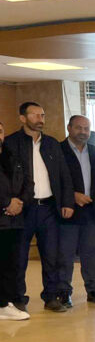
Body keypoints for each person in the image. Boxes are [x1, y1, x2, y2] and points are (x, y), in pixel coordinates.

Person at [3, 102, 73, 312]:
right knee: (19, 257)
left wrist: (67, 202)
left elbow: (63, 175)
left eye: (42, 115)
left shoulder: (52, 143)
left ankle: (51, 297)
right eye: (35, 115)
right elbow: (7, 177)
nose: (40, 119)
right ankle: (18, 298)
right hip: (23, 209)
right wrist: (12, 201)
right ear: (22, 118)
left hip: (49, 208)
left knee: (51, 255)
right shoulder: (10, 143)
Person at [59, 115, 95, 304]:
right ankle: (64, 292)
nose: (83, 132)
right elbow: (54, 181)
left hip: (92, 211)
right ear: (69, 128)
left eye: (86, 128)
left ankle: (94, 290)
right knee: (65, 255)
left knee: (92, 254)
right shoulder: (58, 150)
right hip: (68, 210)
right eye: (79, 128)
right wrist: (72, 196)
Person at [0, 121, 30, 320]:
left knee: (11, 264)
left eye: (0, 131)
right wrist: (6, 203)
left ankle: (6, 303)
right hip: (2, 215)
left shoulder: (12, 156)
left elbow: (28, 182)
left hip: (15, 219)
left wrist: (19, 202)